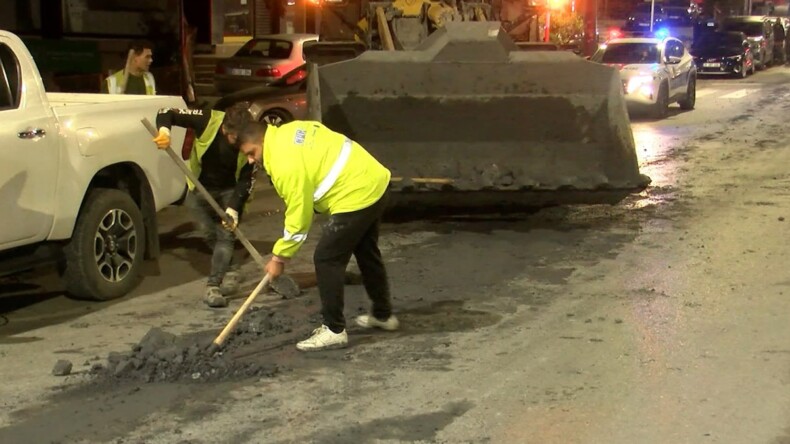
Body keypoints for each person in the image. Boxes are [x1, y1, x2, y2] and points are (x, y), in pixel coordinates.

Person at [237, 120, 398, 352]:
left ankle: (333, 330)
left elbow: (298, 217)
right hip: (373, 180)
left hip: (355, 193)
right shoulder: (289, 131)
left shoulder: (283, 163)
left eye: (252, 153)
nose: (251, 160)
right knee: (365, 250)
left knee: (326, 258)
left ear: (261, 140)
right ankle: (383, 315)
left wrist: (279, 258)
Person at [152, 103, 257, 308]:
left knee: (226, 235)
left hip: (231, 189)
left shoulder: (249, 139)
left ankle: (213, 285)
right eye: (236, 139)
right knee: (208, 233)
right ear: (225, 129)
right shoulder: (207, 120)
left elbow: (246, 179)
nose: (241, 144)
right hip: (199, 186)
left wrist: (234, 209)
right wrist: (164, 131)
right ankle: (233, 267)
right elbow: (166, 112)